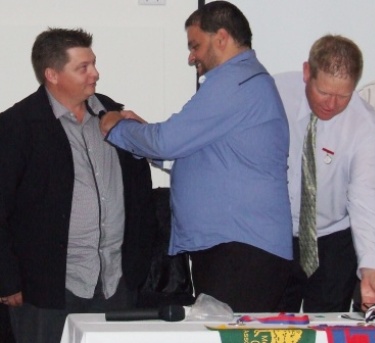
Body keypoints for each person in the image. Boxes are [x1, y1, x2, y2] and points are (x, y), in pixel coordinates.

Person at [100, 0, 293, 312]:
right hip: (236, 249)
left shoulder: (235, 83)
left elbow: (167, 142)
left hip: (240, 252)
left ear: (221, 38)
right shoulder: (243, 83)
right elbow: (187, 151)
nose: (191, 57)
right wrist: (145, 136)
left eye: (195, 46)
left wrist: (116, 128)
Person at [0, 28, 156, 343]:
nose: (95, 74)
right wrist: (7, 280)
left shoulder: (113, 115)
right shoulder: (17, 126)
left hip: (116, 282)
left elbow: (139, 194)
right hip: (48, 286)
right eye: (82, 67)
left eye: (93, 63)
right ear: (52, 74)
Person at [274, 34, 375, 313]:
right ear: (306, 72)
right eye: (324, 92)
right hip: (275, 235)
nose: (331, 104)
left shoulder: (365, 126)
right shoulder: (273, 94)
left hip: (334, 239)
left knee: (327, 326)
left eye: (343, 95)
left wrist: (370, 266)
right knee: (271, 323)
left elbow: (367, 199)